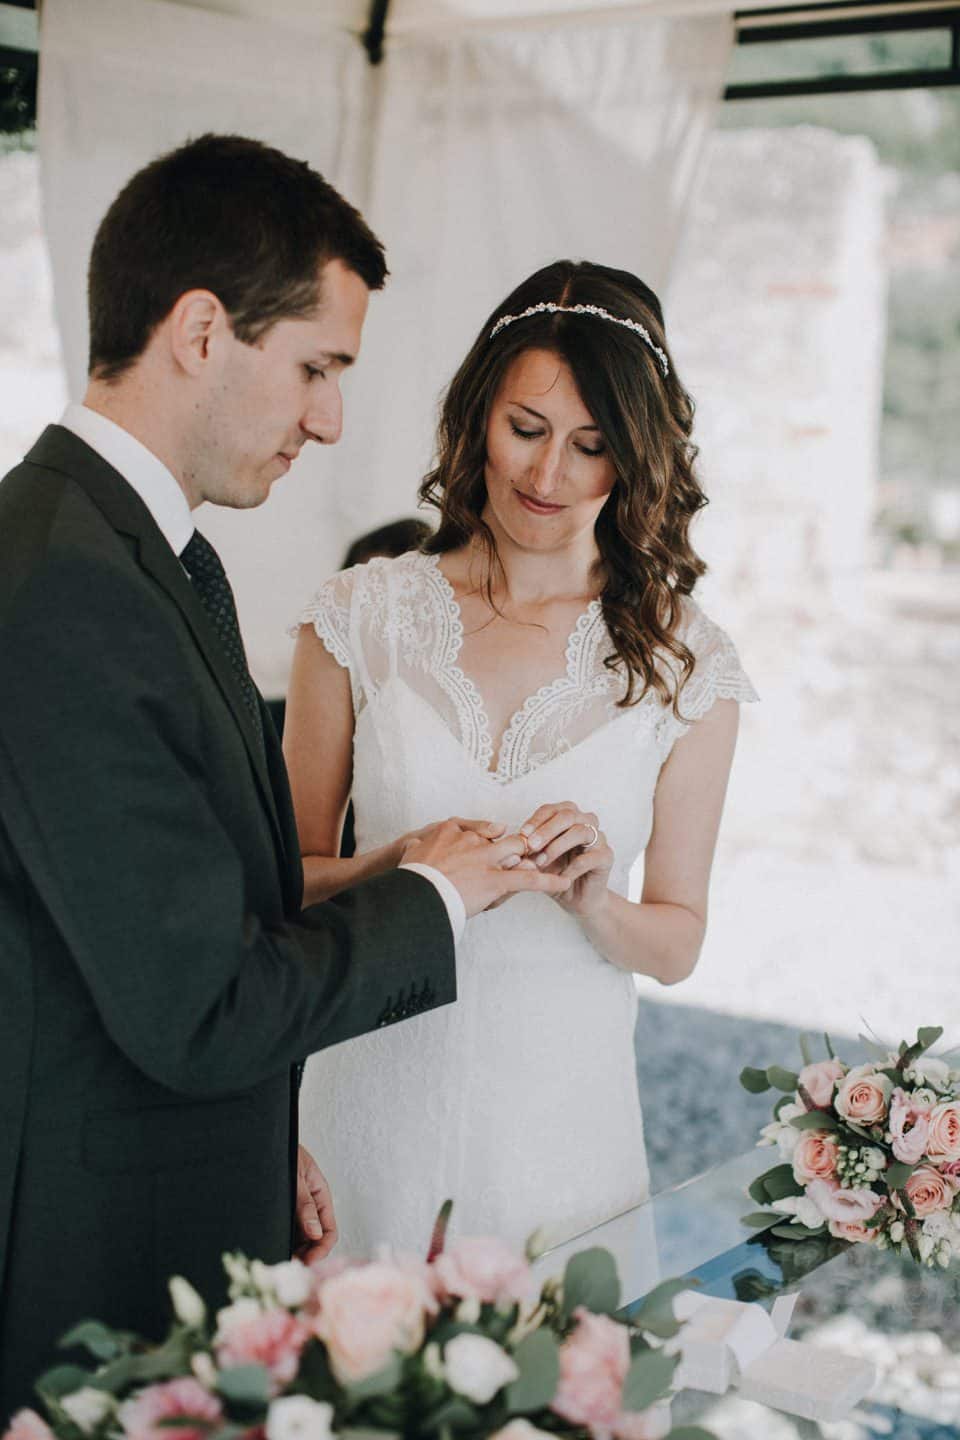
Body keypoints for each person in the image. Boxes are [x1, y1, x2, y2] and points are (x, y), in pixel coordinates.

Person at [0, 135, 568, 1418]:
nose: (331, 418)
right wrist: (434, 899)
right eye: (316, 367)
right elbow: (195, 1004)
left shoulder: (126, 552)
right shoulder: (69, 585)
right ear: (201, 331)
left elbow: (161, 909)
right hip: (91, 1258)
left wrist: (382, 867)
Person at [286, 260, 758, 1256]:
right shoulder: (358, 616)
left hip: (560, 1132)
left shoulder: (688, 662)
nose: (547, 478)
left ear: (635, 459)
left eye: (591, 447)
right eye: (526, 430)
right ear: (475, 419)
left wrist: (594, 899)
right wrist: (406, 865)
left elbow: (677, 943)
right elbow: (278, 883)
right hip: (366, 1105)